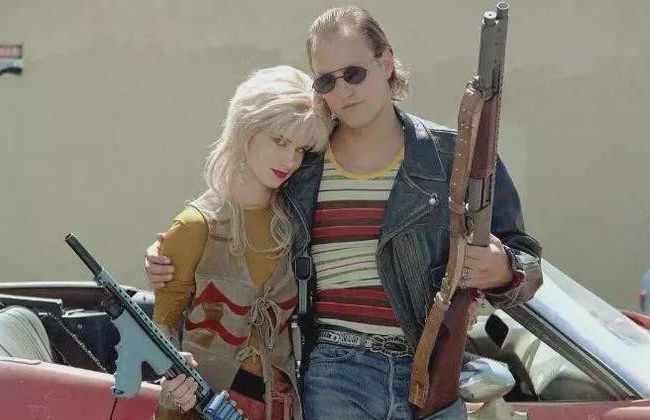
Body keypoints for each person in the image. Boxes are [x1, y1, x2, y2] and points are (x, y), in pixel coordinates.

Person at [147, 6, 543, 420]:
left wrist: (504, 269)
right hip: (335, 374)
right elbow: (234, 208)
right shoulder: (303, 164)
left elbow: (526, 260)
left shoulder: (451, 158)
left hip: (431, 377)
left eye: (354, 73)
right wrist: (170, 250)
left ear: (386, 62)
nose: (343, 90)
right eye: (326, 81)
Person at [151, 65, 331, 420]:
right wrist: (173, 375)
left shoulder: (297, 225)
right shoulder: (195, 225)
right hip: (200, 408)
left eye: (300, 148)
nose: (290, 160)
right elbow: (162, 328)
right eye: (279, 141)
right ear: (246, 128)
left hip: (281, 406)